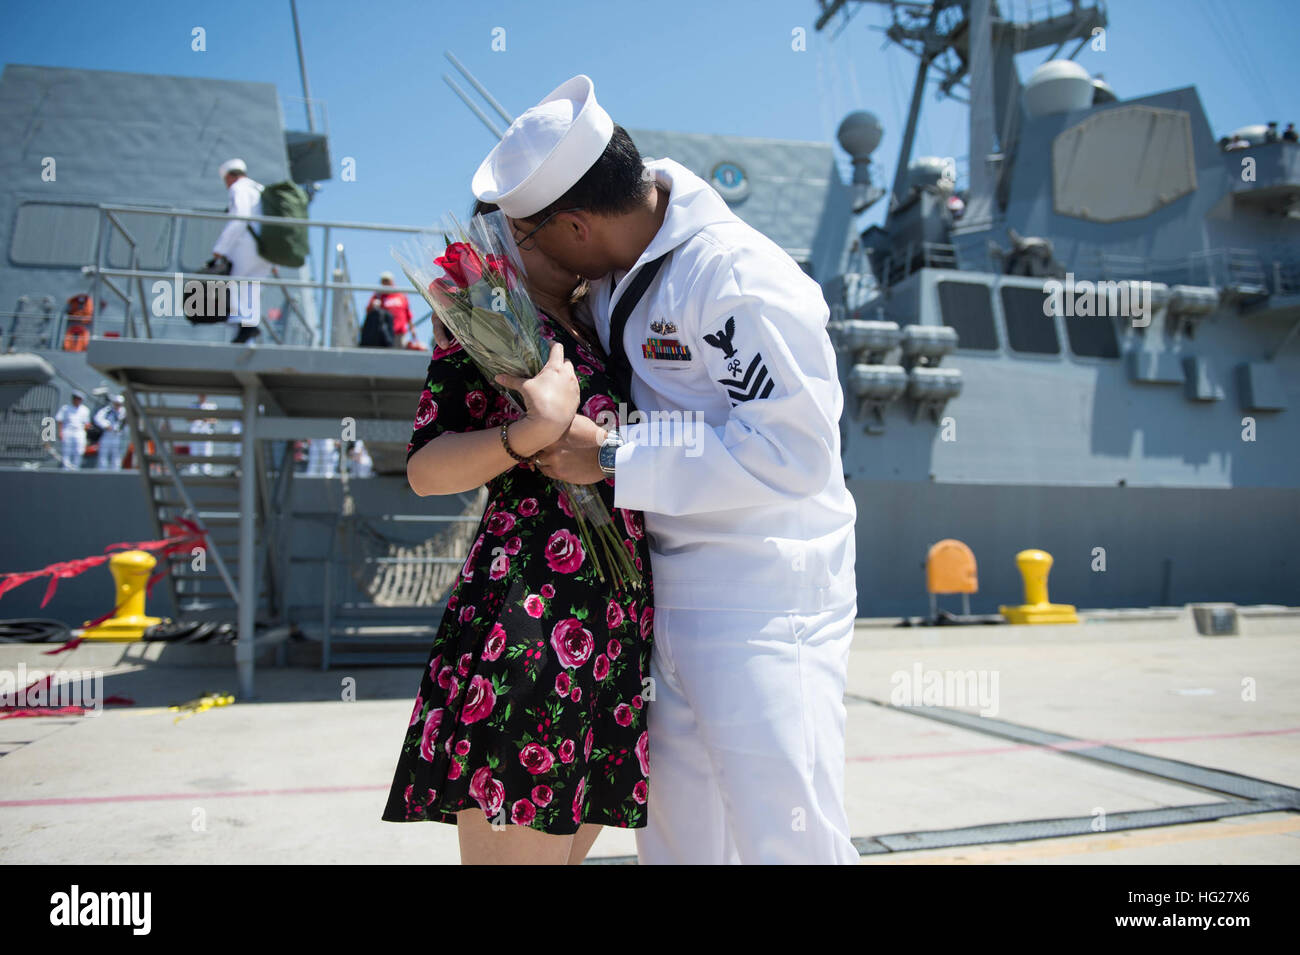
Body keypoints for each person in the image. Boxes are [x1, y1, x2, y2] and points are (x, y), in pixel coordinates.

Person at [470, 74, 859, 864]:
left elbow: (795, 450)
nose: (524, 254)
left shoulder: (734, 275)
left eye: (530, 237)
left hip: (761, 601)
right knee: (680, 844)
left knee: (786, 834)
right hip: (666, 600)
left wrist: (613, 453)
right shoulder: (612, 275)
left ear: (576, 225)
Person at [380, 196, 655, 866]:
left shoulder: (603, 322)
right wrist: (527, 433)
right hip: (535, 615)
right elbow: (425, 466)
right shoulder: (484, 324)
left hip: (616, 622)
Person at [212, 158, 273, 344]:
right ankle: (249, 334)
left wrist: (220, 248)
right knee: (253, 289)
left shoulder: (238, 188)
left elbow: (239, 217)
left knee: (232, 283)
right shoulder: (260, 189)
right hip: (267, 247)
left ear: (230, 177)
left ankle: (245, 330)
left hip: (247, 244)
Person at [362, 272, 415, 348]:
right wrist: (374, 305)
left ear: (392, 282)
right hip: (385, 333)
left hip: (400, 333)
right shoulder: (378, 295)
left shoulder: (401, 295)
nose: (385, 283)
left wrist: (412, 329)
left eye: (387, 281)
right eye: (383, 281)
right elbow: (368, 311)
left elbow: (408, 314)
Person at [54, 390, 91, 469]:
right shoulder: (65, 408)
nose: (77, 400)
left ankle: (76, 468)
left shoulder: (85, 410)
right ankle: (66, 469)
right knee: (67, 451)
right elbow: (60, 420)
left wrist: (86, 429)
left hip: (79, 432)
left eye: (79, 399)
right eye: (75, 398)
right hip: (68, 431)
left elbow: (87, 423)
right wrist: (60, 432)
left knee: (79, 451)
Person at [93, 394, 128, 470]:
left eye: (119, 404)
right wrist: (106, 425)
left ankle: (116, 472)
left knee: (116, 457)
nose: (118, 405)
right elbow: (97, 418)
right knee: (103, 455)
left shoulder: (124, 412)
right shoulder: (107, 410)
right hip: (107, 435)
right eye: (116, 403)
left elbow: (127, 423)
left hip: (118, 437)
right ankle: (102, 472)